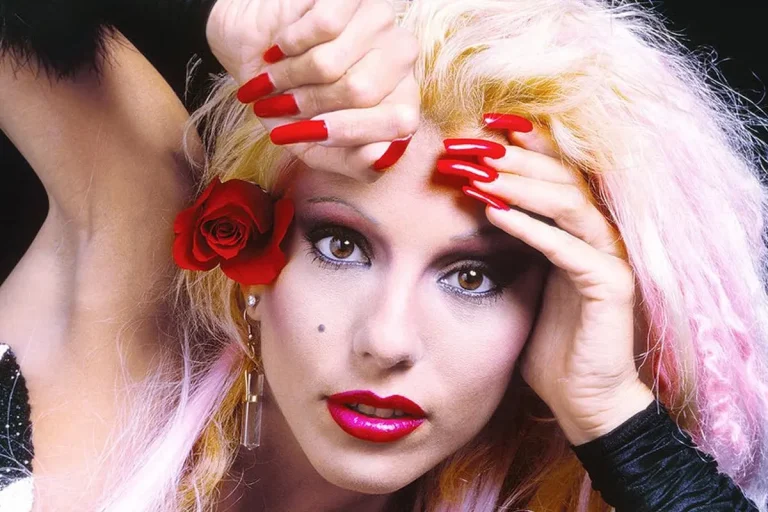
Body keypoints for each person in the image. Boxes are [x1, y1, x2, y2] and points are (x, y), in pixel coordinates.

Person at [1, 1, 767, 511]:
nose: (387, 339)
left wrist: (613, 417)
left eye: (474, 277)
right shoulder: (128, 293)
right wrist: (220, 7)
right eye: (341, 246)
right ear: (255, 254)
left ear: (549, 310)